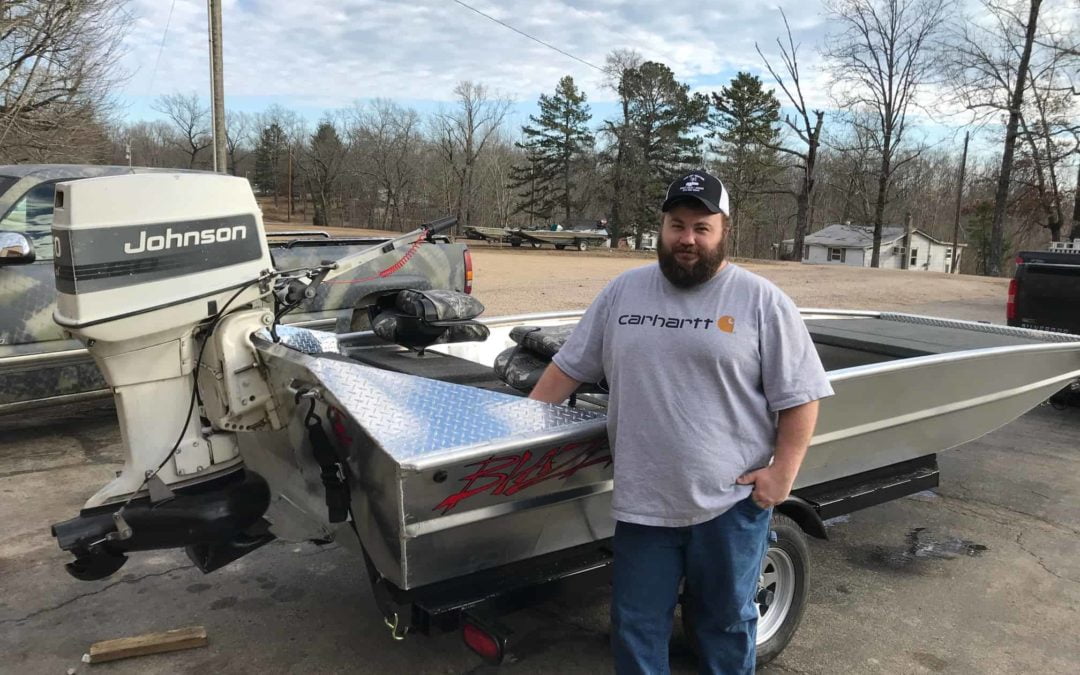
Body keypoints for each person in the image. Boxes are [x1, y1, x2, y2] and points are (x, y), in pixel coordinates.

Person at [528, 170, 833, 674]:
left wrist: (783, 473)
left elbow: (800, 397)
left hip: (729, 505)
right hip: (642, 503)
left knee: (726, 624)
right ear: (662, 228)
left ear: (722, 230)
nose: (686, 239)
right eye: (676, 224)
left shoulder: (761, 301)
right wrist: (522, 429)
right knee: (635, 625)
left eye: (700, 227)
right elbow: (568, 369)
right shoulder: (624, 292)